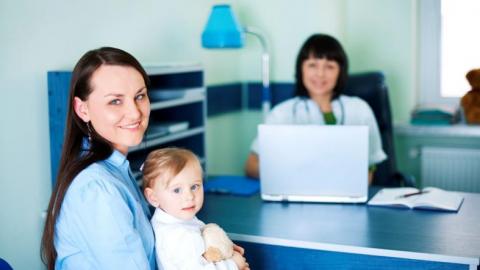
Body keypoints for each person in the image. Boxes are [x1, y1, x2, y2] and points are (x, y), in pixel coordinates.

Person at [41, 47, 156, 269]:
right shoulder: (97, 188)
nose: (135, 112)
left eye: (139, 96)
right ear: (82, 109)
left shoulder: (115, 168)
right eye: (115, 101)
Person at [245, 34, 386, 184]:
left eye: (329, 66)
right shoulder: (281, 114)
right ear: (301, 69)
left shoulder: (359, 110)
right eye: (312, 65)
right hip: (295, 195)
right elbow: (251, 166)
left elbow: (369, 168)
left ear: (340, 72)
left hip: (346, 198)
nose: (320, 74)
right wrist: (293, 174)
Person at [142, 147, 250, 270]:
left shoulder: (172, 219)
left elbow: (200, 235)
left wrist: (225, 246)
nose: (189, 196)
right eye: (177, 190)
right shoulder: (181, 237)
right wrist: (234, 264)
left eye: (194, 186)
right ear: (153, 197)